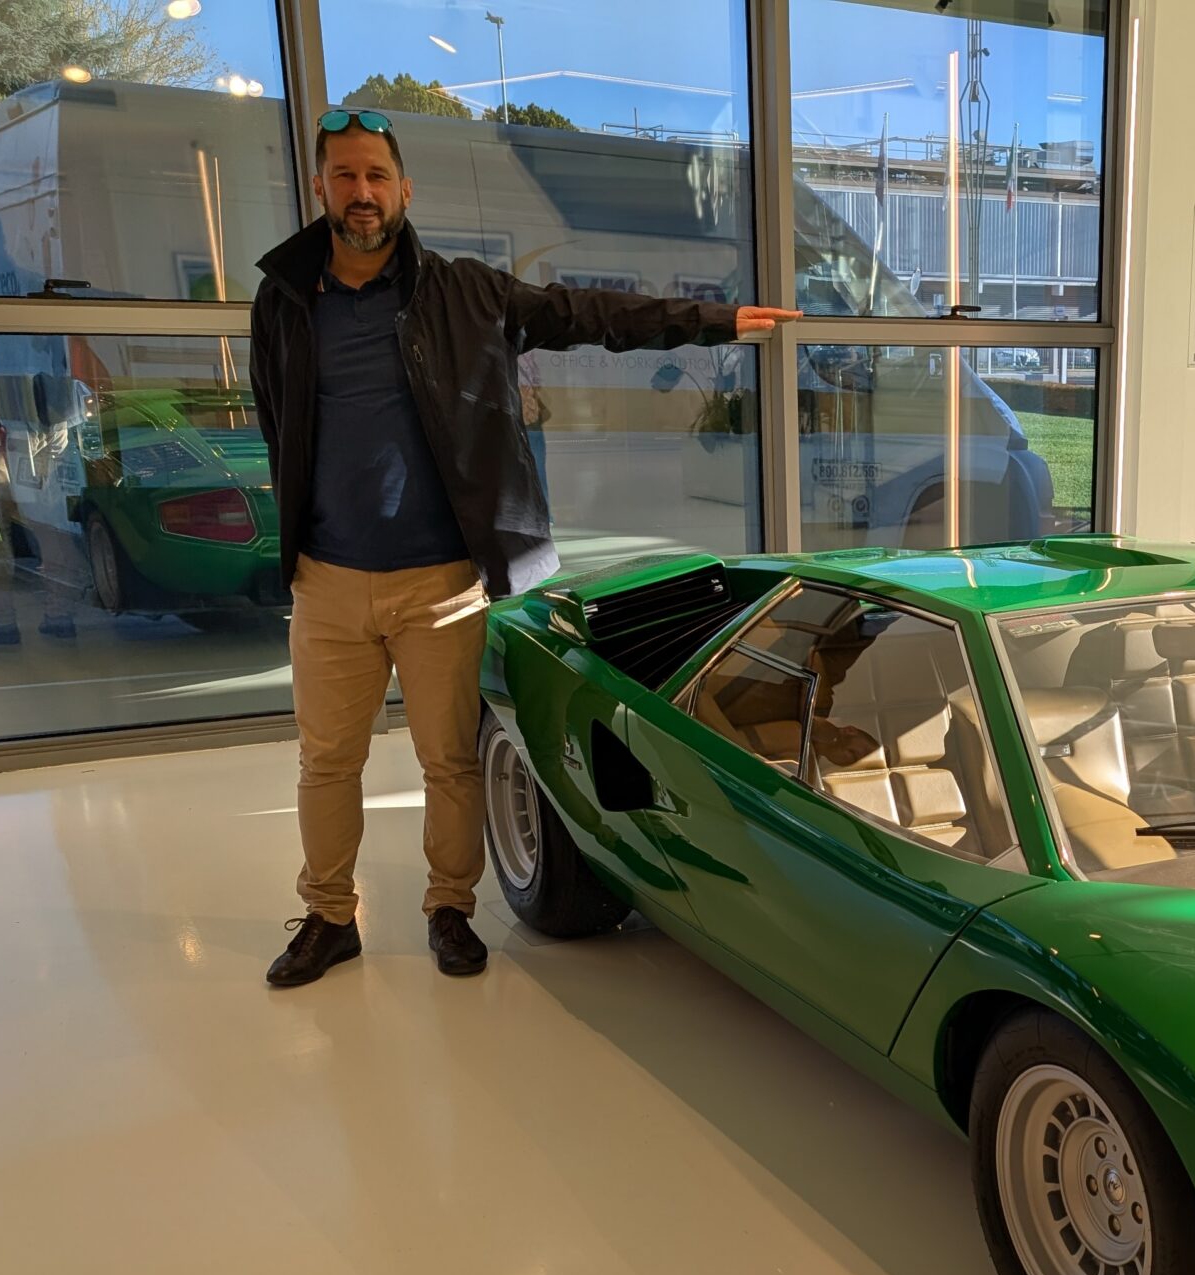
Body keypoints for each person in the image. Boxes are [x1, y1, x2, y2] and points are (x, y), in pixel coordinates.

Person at [248, 108, 796, 987]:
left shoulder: (464, 292)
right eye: (345, 175)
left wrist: (715, 320)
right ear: (320, 187)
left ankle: (449, 908)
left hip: (438, 583)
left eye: (377, 176)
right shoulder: (283, 301)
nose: (361, 192)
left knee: (449, 761)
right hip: (330, 581)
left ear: (404, 190)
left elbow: (590, 313)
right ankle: (329, 916)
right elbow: (279, 421)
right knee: (327, 763)